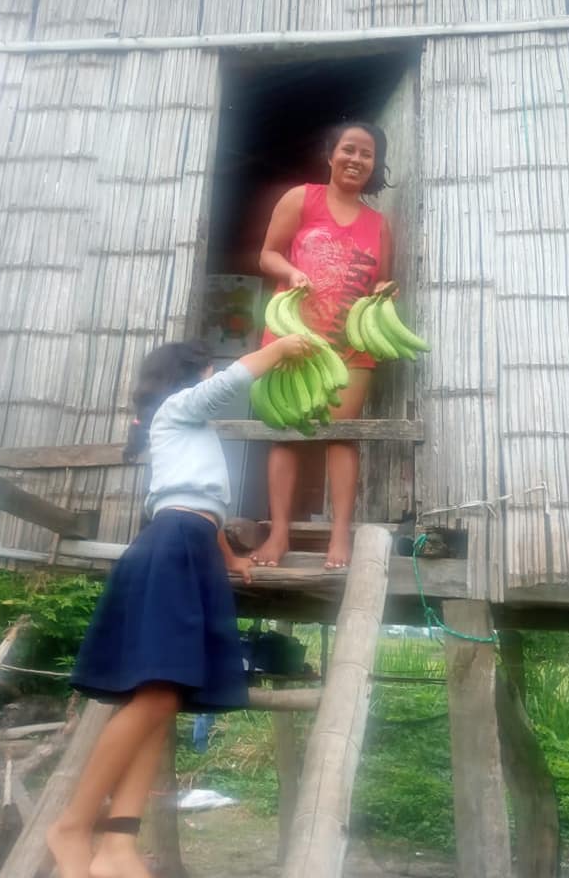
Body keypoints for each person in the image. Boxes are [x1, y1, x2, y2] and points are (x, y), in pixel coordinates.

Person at [47, 333, 311, 878]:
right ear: (195, 376)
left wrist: (231, 559)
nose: (215, 378)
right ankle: (72, 825)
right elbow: (227, 388)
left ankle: (118, 844)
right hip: (171, 549)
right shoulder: (177, 409)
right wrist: (279, 349)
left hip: (192, 549)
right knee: (154, 698)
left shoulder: (190, 432)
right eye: (209, 371)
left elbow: (201, 507)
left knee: (163, 700)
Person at [254, 121, 394, 570]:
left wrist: (385, 291)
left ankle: (339, 536)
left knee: (341, 436)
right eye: (349, 149)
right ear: (331, 154)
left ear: (374, 165)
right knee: (287, 434)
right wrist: (291, 272)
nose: (357, 159)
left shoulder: (378, 224)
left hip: (351, 345)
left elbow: (382, 279)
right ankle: (278, 533)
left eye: (367, 154)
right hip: (293, 337)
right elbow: (268, 254)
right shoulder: (302, 199)